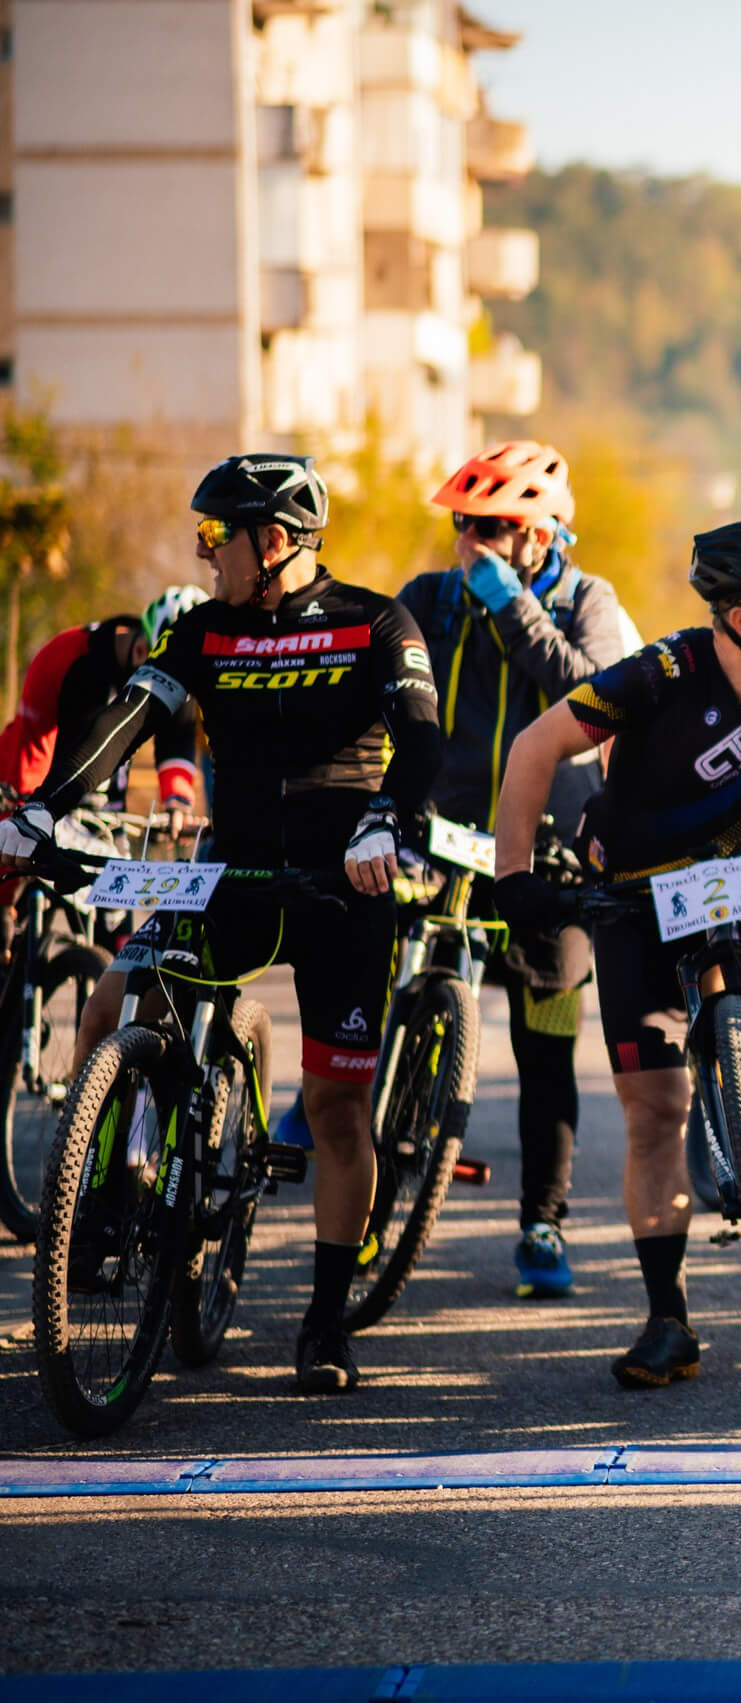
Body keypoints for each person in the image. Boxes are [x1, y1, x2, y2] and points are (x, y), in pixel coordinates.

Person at [0, 454, 443, 1394]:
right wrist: (47, 804)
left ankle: (326, 1322)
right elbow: (127, 716)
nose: (205, 554)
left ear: (272, 542)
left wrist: (384, 819)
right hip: (228, 874)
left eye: (217, 536)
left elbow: (422, 732)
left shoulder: (376, 621)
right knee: (120, 997)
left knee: (335, 1109)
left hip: (342, 884)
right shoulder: (204, 631)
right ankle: (114, 1196)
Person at [489, 520, 741, 1391]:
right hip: (632, 894)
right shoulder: (661, 671)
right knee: (654, 1110)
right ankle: (668, 1317)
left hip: (734, 876)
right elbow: (534, 748)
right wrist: (514, 875)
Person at [399, 441, 631, 1300]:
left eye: (495, 529)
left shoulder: (588, 600)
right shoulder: (429, 598)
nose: (474, 545)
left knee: (547, 1051)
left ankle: (543, 1220)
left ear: (544, 536)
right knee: (380, 948)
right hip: (447, 837)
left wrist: (514, 611)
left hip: (553, 857)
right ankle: (362, 1113)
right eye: (465, 526)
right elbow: (386, 690)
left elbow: (594, 696)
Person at [0, 594, 204, 821]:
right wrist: (21, 816)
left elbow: (177, 735)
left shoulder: (172, 669)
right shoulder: (69, 659)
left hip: (104, 811)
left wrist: (178, 802)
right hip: (39, 763)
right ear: (140, 650)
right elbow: (32, 747)